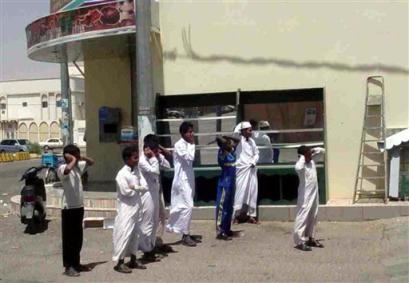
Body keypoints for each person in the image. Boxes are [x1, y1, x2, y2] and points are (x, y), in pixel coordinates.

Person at [57, 144, 94, 277]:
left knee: (78, 238)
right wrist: (72, 159)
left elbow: (91, 162)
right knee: (69, 239)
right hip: (68, 209)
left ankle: (76, 263)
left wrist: (81, 157)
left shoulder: (78, 167)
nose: (77, 157)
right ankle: (68, 266)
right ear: (68, 155)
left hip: (79, 207)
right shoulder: (62, 168)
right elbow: (66, 171)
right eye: (75, 154)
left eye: (78, 154)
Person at [112, 145, 147, 273]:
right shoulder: (122, 174)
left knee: (135, 234)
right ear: (127, 159)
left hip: (137, 207)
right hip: (126, 209)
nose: (137, 160)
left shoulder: (137, 171)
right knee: (124, 234)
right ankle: (119, 262)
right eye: (134, 157)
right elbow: (126, 191)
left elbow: (143, 185)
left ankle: (133, 259)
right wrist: (137, 188)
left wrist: (136, 187)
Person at [166, 122, 200, 247]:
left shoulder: (189, 144)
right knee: (188, 206)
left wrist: (191, 144)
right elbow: (190, 158)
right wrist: (192, 144)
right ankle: (185, 234)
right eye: (189, 132)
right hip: (181, 180)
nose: (192, 134)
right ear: (183, 133)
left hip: (189, 179)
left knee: (187, 206)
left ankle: (185, 231)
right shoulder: (179, 145)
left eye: (192, 131)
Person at [138, 137, 170, 261]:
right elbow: (155, 172)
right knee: (148, 222)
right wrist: (153, 158)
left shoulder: (154, 158)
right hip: (147, 194)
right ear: (147, 149)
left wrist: (158, 157)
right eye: (154, 151)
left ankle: (151, 247)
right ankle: (146, 251)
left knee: (156, 221)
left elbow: (167, 166)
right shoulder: (142, 160)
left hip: (155, 192)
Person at [293, 145, 325, 251]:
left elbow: (322, 151)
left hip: (314, 194)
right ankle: (299, 241)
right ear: (302, 156)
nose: (311, 156)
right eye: (308, 154)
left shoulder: (311, 161)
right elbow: (298, 167)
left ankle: (311, 238)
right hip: (305, 195)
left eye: (310, 154)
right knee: (303, 216)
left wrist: (312, 151)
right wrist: (303, 157)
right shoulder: (300, 165)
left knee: (313, 215)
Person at [233, 121, 260, 224]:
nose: (251, 132)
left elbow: (257, 153)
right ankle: (236, 215)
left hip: (251, 170)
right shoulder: (239, 140)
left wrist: (253, 161)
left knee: (252, 192)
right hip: (242, 169)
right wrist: (241, 125)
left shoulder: (252, 141)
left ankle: (251, 216)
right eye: (249, 130)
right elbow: (235, 133)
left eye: (251, 129)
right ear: (243, 131)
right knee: (240, 192)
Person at [215, 135, 239, 240]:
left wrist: (227, 136)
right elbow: (224, 144)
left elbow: (238, 140)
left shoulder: (231, 152)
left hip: (231, 183)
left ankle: (227, 229)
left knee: (229, 207)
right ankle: (220, 231)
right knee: (222, 207)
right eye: (228, 143)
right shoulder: (222, 153)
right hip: (224, 183)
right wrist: (221, 140)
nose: (231, 144)